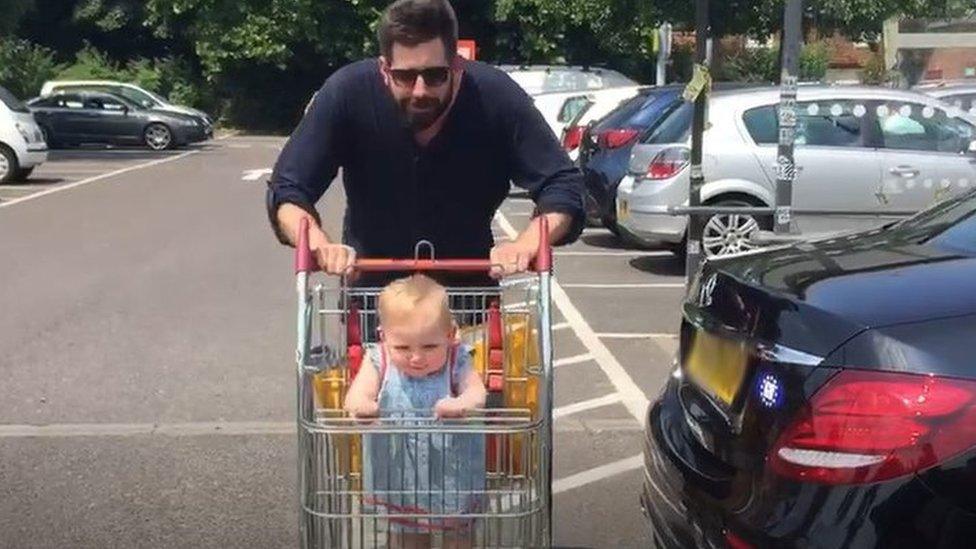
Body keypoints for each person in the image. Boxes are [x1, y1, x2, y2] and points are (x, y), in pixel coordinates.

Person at [266, 0, 584, 284]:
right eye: (405, 76)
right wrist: (318, 243)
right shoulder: (347, 94)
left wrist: (528, 242)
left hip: (466, 298)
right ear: (384, 69)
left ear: (456, 65)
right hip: (374, 300)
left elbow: (562, 184)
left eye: (435, 76)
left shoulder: (495, 98)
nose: (420, 90)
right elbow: (289, 188)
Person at [344, 274, 487, 548]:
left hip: (452, 476)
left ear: (450, 335)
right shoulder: (379, 359)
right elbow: (356, 396)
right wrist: (364, 407)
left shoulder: (458, 360)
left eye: (430, 346)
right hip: (400, 476)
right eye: (403, 347)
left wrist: (461, 403)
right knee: (406, 537)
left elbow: (477, 393)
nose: (416, 357)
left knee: (458, 536)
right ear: (384, 338)